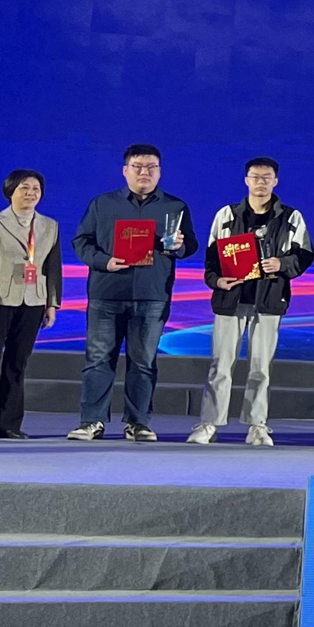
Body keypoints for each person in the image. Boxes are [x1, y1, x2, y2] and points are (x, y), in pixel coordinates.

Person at [68, 144, 198, 442]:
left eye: (151, 167)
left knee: (143, 362)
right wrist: (104, 261)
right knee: (98, 360)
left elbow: (189, 246)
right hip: (106, 292)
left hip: (152, 295)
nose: (144, 172)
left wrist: (179, 246)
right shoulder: (102, 204)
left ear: (160, 172)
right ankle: (91, 421)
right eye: (138, 167)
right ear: (125, 170)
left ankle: (138, 423)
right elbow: (81, 241)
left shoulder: (175, 206)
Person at [190, 157, 313, 446]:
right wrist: (216, 281)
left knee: (261, 367)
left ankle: (257, 425)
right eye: (255, 177)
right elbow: (212, 257)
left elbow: (304, 255)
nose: (261, 182)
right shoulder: (227, 215)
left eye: (266, 177)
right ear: (246, 180)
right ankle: (209, 423)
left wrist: (281, 264)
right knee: (220, 365)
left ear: (275, 181)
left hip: (269, 299)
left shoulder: (291, 217)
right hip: (231, 299)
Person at [0, 170, 61, 439]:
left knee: (18, 363)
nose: (31, 193)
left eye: (36, 188)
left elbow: (53, 268)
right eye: (24, 188)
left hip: (33, 301)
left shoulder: (50, 226)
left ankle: (9, 425)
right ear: (10, 191)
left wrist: (51, 304)